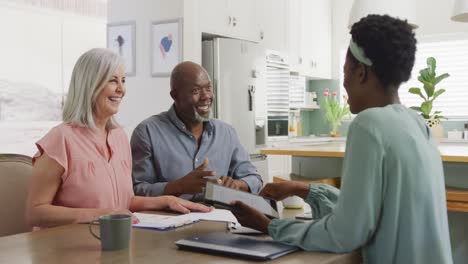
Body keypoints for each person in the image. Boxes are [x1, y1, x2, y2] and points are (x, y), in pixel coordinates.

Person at [231, 14, 453, 264]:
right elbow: (369, 211)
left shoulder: (369, 125)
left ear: (361, 73)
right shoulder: (416, 122)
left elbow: (345, 234)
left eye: (345, 71)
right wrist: (306, 190)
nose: (344, 83)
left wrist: (271, 225)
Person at [26, 49, 210, 228]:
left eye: (123, 80)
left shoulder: (119, 137)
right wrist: (97, 215)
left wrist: (166, 200)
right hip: (65, 250)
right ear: (90, 85)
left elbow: (124, 202)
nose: (121, 89)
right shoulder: (60, 139)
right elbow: (35, 212)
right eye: (113, 81)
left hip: (110, 244)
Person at [131, 61, 263, 200]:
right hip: (171, 219)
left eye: (208, 88)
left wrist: (237, 184)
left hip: (220, 218)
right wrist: (179, 186)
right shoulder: (147, 132)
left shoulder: (226, 132)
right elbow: (137, 190)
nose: (206, 96)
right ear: (175, 96)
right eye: (195, 91)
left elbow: (254, 179)